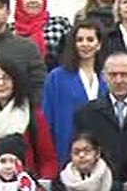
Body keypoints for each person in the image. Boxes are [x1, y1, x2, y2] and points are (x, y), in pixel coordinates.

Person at [74, 52, 127, 188]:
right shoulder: (87, 114)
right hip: (101, 188)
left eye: (124, 74)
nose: (118, 80)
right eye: (113, 75)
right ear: (103, 76)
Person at [43, 20, 107, 166]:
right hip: (67, 151)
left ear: (99, 44)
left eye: (90, 39)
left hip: (101, 154)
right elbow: (47, 120)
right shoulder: (57, 77)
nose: (85, 44)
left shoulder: (106, 77)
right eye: (80, 40)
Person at [14, 0, 72, 71]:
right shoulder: (11, 29)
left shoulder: (59, 23)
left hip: (55, 77)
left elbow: (72, 53)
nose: (33, 1)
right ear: (20, 1)